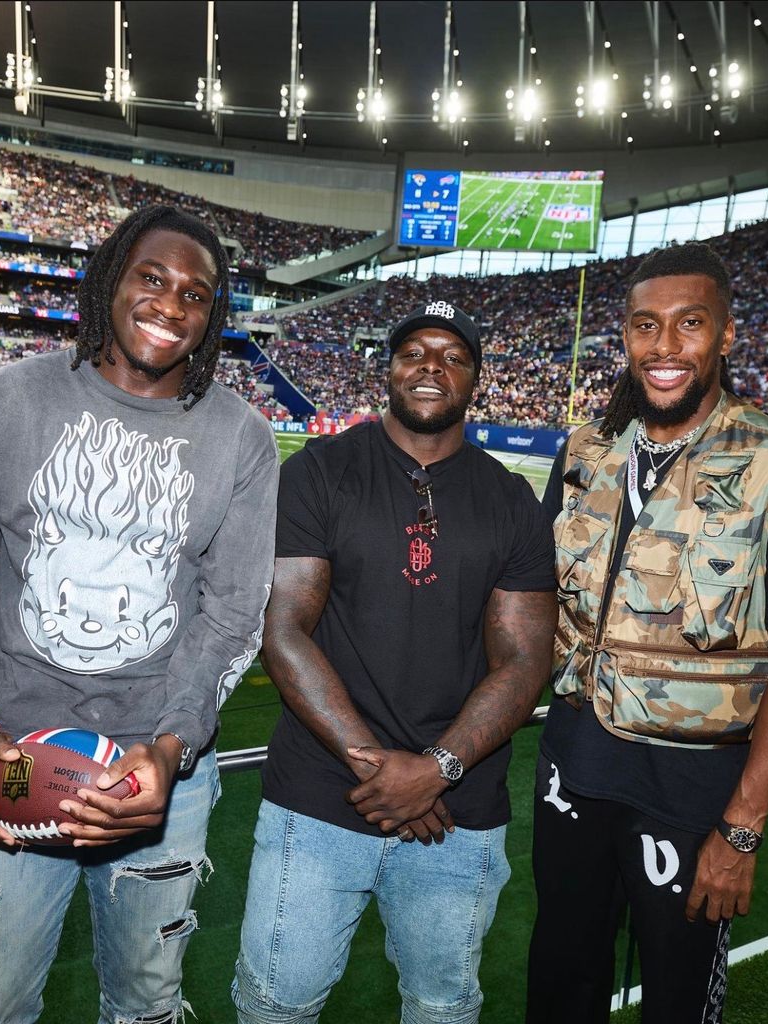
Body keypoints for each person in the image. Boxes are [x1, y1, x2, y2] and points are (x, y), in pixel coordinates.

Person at [0, 204, 279, 1024]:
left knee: (145, 1003)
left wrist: (170, 747)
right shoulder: (6, 400)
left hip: (158, 769)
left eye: (196, 294)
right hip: (14, 752)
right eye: (152, 278)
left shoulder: (242, 437)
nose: (170, 305)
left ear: (212, 315)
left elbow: (232, 613)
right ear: (111, 279)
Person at [232, 301, 557, 1024]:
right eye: (414, 351)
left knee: (441, 1009)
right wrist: (380, 769)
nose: (430, 366)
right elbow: (283, 628)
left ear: (475, 378)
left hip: (456, 811)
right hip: (321, 797)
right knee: (275, 1005)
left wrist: (436, 769)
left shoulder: (511, 500)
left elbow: (525, 658)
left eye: (452, 355)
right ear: (388, 368)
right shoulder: (320, 470)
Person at [526, 242, 768, 1024]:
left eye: (689, 323)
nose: (664, 345)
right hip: (572, 768)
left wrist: (740, 829)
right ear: (624, 335)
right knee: (559, 982)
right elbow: (535, 602)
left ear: (726, 334)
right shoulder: (583, 453)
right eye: (645, 325)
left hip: (690, 791)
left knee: (677, 1002)